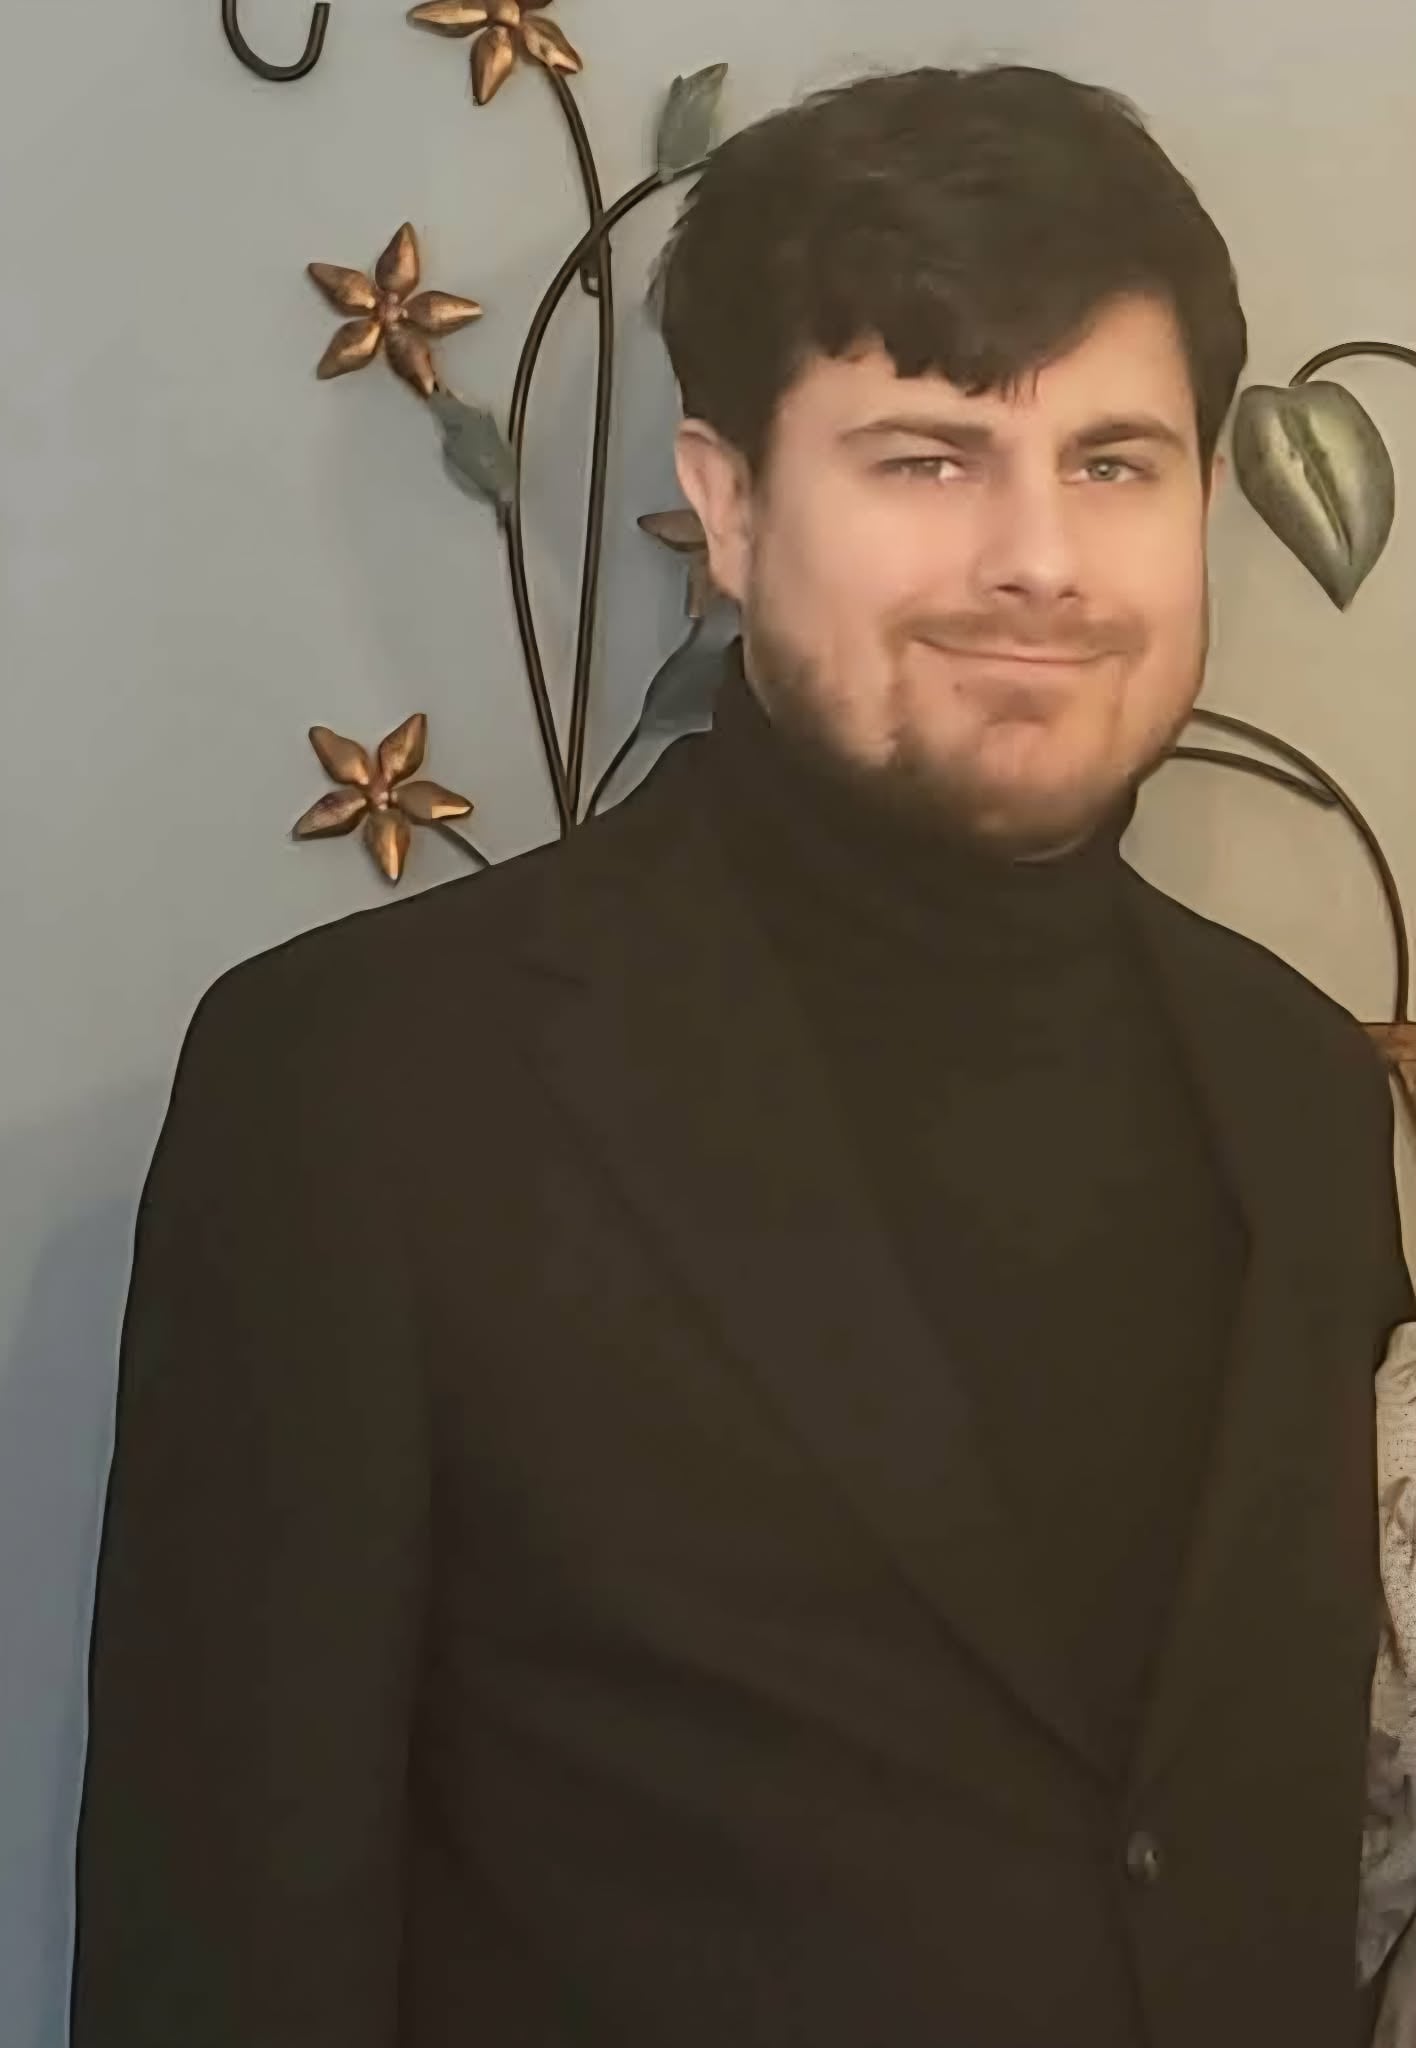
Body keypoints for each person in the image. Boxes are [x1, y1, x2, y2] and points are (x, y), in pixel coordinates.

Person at [70, 61, 1413, 2048]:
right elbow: (225, 1950)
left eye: (1115, 462)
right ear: (727, 504)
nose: (1042, 558)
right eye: (929, 458)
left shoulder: (1302, 1093)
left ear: (1202, 501)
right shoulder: (360, 1087)